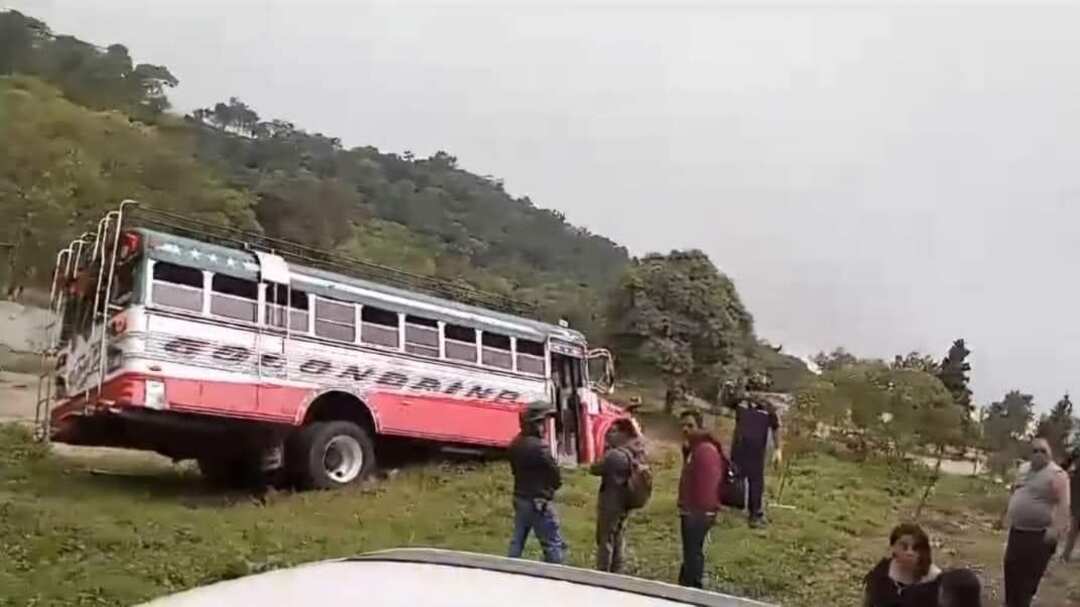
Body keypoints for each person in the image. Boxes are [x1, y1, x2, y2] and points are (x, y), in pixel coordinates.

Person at [1002, 437, 1071, 607]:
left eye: (1043, 451)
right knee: (1011, 570)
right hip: (1017, 531)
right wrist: (1005, 514)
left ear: (1050, 454)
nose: (1039, 454)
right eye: (1035, 451)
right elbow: (1015, 491)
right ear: (1030, 454)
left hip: (1039, 535)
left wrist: (1056, 530)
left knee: (1028, 577)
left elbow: (1064, 504)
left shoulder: (1057, 474)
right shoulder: (1023, 469)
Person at [507, 400, 566, 564]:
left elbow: (514, 470)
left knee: (518, 540)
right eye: (542, 422)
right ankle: (556, 573)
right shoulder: (540, 448)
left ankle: (509, 568)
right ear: (534, 424)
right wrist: (552, 487)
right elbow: (554, 474)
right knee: (552, 543)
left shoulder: (515, 443)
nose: (544, 427)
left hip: (520, 496)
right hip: (539, 500)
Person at [677, 409, 726, 588]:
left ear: (700, 427)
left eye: (690, 425)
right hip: (691, 510)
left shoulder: (705, 450)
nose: (685, 429)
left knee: (693, 553)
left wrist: (697, 512)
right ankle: (686, 584)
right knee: (690, 552)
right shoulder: (694, 448)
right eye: (683, 426)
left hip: (698, 512)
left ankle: (693, 588)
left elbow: (708, 484)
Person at [590, 419, 645, 573]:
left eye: (613, 431)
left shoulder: (615, 455)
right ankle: (617, 569)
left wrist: (605, 450)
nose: (609, 434)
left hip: (611, 502)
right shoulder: (635, 451)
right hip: (626, 500)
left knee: (605, 538)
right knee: (618, 536)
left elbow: (594, 469)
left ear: (623, 434)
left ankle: (604, 571)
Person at [729, 380, 781, 528]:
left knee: (756, 484)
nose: (756, 393)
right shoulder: (740, 403)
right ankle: (731, 506)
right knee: (733, 478)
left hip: (756, 453)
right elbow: (725, 401)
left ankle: (755, 515)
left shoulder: (768, 408)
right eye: (752, 389)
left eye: (760, 390)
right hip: (739, 449)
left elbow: (776, 428)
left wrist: (777, 449)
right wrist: (736, 390)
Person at [862, 523, 942, 607]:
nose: (909, 553)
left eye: (915, 548)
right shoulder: (881, 572)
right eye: (904, 547)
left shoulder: (933, 579)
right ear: (893, 547)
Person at [1061, 447, 1080, 562]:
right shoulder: (1074, 463)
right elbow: (1063, 466)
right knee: (1073, 531)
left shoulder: (1074, 465)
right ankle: (1065, 556)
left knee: (1073, 531)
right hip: (1076, 503)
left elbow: (1063, 466)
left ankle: (1065, 556)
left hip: (1076, 504)